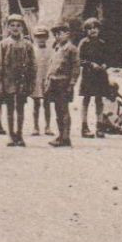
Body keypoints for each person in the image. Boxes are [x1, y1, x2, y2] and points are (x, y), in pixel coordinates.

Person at [0, 14, 37, 146]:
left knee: (20, 107)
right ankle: (11, 135)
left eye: (18, 25)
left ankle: (19, 134)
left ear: (23, 27)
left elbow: (33, 64)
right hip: (8, 79)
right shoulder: (4, 44)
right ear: (8, 27)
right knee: (9, 108)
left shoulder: (27, 44)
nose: (15, 28)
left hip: (23, 80)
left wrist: (32, 81)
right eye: (12, 25)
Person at [44, 19, 81, 147]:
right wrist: (48, 79)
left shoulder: (71, 49)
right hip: (54, 82)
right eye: (55, 34)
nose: (58, 36)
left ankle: (66, 137)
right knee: (57, 109)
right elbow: (51, 65)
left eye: (60, 33)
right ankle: (60, 135)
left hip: (64, 83)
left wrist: (72, 84)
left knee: (64, 109)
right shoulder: (56, 48)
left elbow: (76, 68)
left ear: (68, 33)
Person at [78, 17, 112, 138]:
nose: (93, 30)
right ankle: (84, 126)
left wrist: (105, 64)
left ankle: (99, 125)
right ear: (86, 31)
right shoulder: (84, 43)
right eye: (90, 28)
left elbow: (108, 58)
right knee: (86, 99)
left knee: (99, 99)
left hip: (100, 75)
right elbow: (79, 59)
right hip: (88, 75)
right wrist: (90, 64)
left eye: (95, 28)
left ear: (99, 29)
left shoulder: (102, 43)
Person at [29, 24, 52, 135]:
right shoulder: (32, 50)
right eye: (38, 36)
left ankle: (47, 126)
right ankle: (36, 126)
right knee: (36, 104)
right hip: (36, 80)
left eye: (43, 36)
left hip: (47, 79)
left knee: (47, 103)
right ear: (34, 37)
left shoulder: (51, 50)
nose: (41, 39)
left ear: (47, 37)